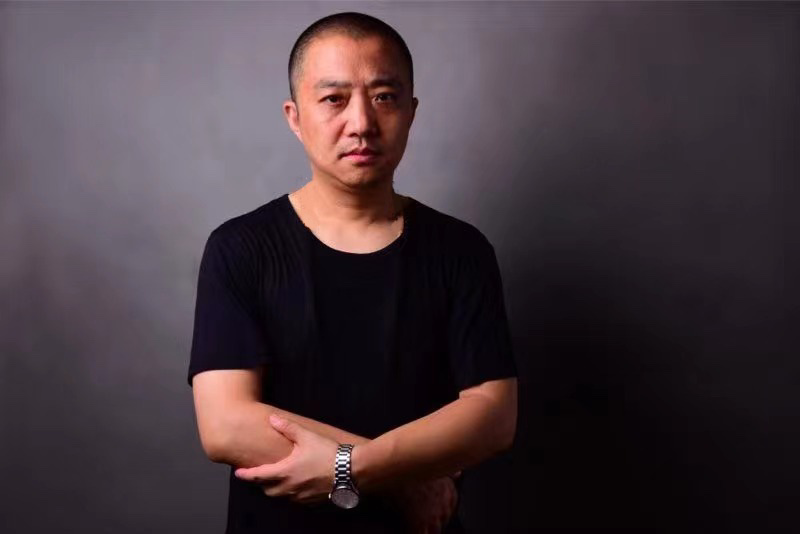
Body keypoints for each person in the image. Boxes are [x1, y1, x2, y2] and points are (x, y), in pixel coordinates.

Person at [188, 11, 518, 534]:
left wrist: (353, 469)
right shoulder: (241, 248)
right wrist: (403, 480)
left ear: (411, 112)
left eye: (384, 97)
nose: (361, 122)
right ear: (295, 117)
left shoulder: (461, 251)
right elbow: (225, 425)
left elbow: (493, 414)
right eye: (334, 99)